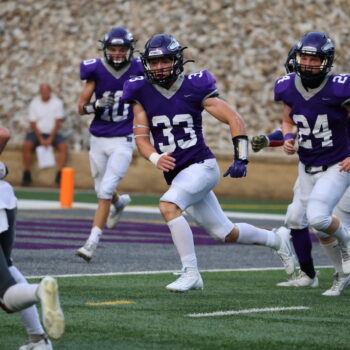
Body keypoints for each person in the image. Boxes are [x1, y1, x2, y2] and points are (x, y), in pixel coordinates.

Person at [121, 33, 296, 292]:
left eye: (164, 61)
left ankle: (191, 273)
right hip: (178, 174)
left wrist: (242, 157)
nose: (159, 68)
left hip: (201, 166)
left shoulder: (195, 85)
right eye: (154, 63)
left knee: (168, 206)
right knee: (224, 232)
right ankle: (277, 239)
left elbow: (234, 119)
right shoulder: (140, 91)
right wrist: (156, 158)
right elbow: (141, 138)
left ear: (177, 60)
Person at [275, 32, 350, 294]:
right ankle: (316, 275)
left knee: (319, 219)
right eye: (303, 57)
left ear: (326, 62)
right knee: (295, 218)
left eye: (313, 59)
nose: (307, 63)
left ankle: (348, 246)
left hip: (337, 164)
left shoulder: (340, 87)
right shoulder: (287, 86)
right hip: (306, 166)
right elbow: (288, 120)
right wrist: (287, 137)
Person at [75, 26, 144, 262]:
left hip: (123, 138)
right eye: (112, 48)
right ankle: (120, 202)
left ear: (129, 50)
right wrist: (95, 106)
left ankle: (91, 242)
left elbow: (143, 103)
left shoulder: (138, 69)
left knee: (104, 190)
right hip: (98, 137)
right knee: (102, 190)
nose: (116, 53)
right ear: (105, 49)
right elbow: (80, 108)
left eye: (121, 49)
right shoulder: (95, 70)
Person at [0, 126, 64, 349]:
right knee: (7, 267)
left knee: (5, 296)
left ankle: (40, 291)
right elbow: (4, 133)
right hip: (4, 198)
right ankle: (38, 339)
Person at [22, 83, 68, 186]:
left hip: (53, 133)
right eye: (42, 90)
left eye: (46, 90)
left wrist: (51, 137)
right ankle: (26, 173)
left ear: (50, 91)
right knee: (27, 145)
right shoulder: (34, 103)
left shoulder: (57, 103)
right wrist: (40, 138)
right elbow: (33, 123)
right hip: (37, 133)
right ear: (40, 91)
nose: (44, 92)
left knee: (63, 147)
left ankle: (59, 175)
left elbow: (58, 122)